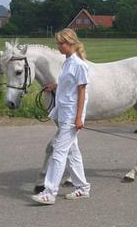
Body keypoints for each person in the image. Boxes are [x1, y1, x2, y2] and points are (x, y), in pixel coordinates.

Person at [31, 28, 90, 205]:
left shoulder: (80, 65)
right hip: (64, 113)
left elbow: (82, 93)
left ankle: (49, 192)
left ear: (70, 42)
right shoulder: (67, 63)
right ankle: (83, 188)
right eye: (57, 43)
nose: (58, 47)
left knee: (59, 151)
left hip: (72, 115)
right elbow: (68, 87)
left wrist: (79, 118)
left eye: (61, 43)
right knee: (73, 153)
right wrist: (55, 87)